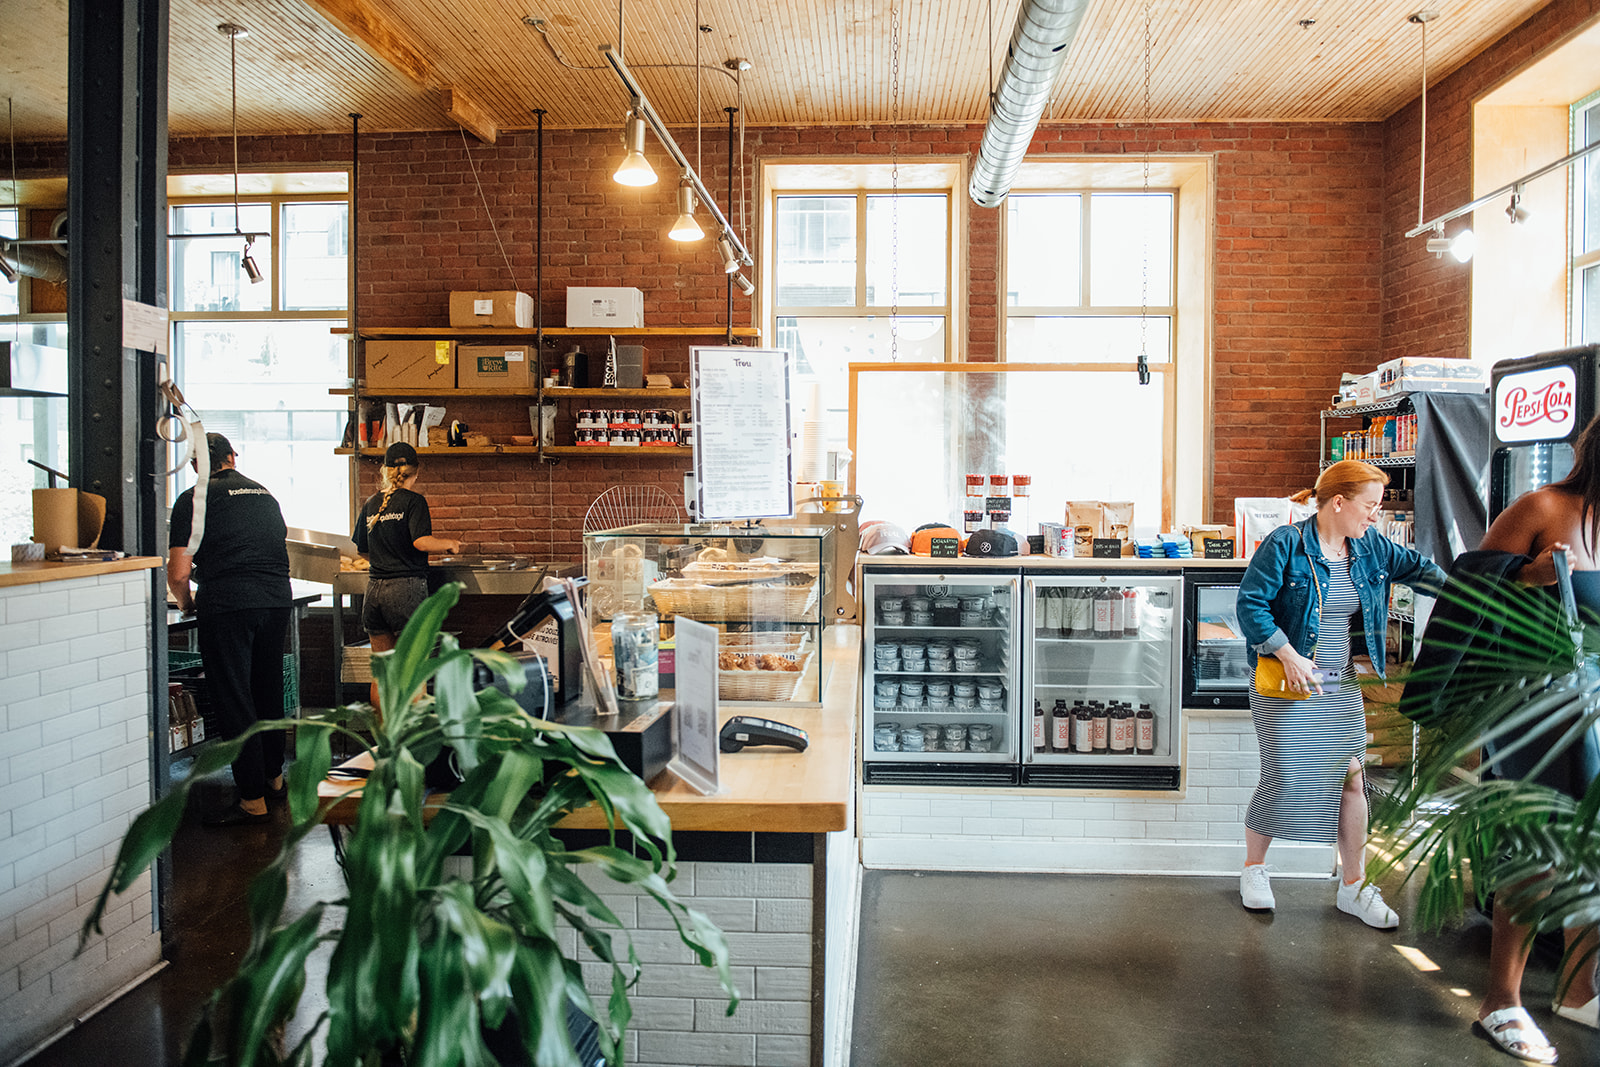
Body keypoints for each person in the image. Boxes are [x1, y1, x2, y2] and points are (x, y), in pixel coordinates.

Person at [1234, 459, 1446, 925]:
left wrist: (1499, 578)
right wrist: (1287, 653)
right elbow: (1249, 605)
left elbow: (1429, 573)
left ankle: (1353, 887)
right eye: (1370, 506)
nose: (1375, 515)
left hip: (1337, 682)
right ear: (1339, 502)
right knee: (1286, 775)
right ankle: (1254, 869)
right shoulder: (1287, 545)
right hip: (1288, 678)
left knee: (1351, 778)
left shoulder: (1371, 548)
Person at [1469, 416, 1600, 1064]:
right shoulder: (1542, 507)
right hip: (1535, 702)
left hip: (1595, 702)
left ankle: (1579, 988)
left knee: (1591, 849)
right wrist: (1531, 577)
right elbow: (1467, 592)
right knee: (1539, 844)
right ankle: (1501, 998)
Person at [168, 433, 293, 826]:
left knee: (235, 697)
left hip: (228, 604)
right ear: (232, 457)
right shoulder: (264, 493)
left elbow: (178, 572)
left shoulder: (194, 499)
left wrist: (187, 604)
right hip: (275, 599)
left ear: (195, 464)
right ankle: (274, 779)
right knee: (267, 690)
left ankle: (251, 800)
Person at [352, 442, 462, 707]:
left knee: (381, 674)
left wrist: (385, 557)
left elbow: (362, 551)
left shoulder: (371, 503)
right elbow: (421, 542)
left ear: (385, 470)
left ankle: (384, 741)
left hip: (374, 592)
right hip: (405, 591)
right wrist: (450, 543)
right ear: (417, 471)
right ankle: (413, 742)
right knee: (413, 671)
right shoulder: (414, 502)